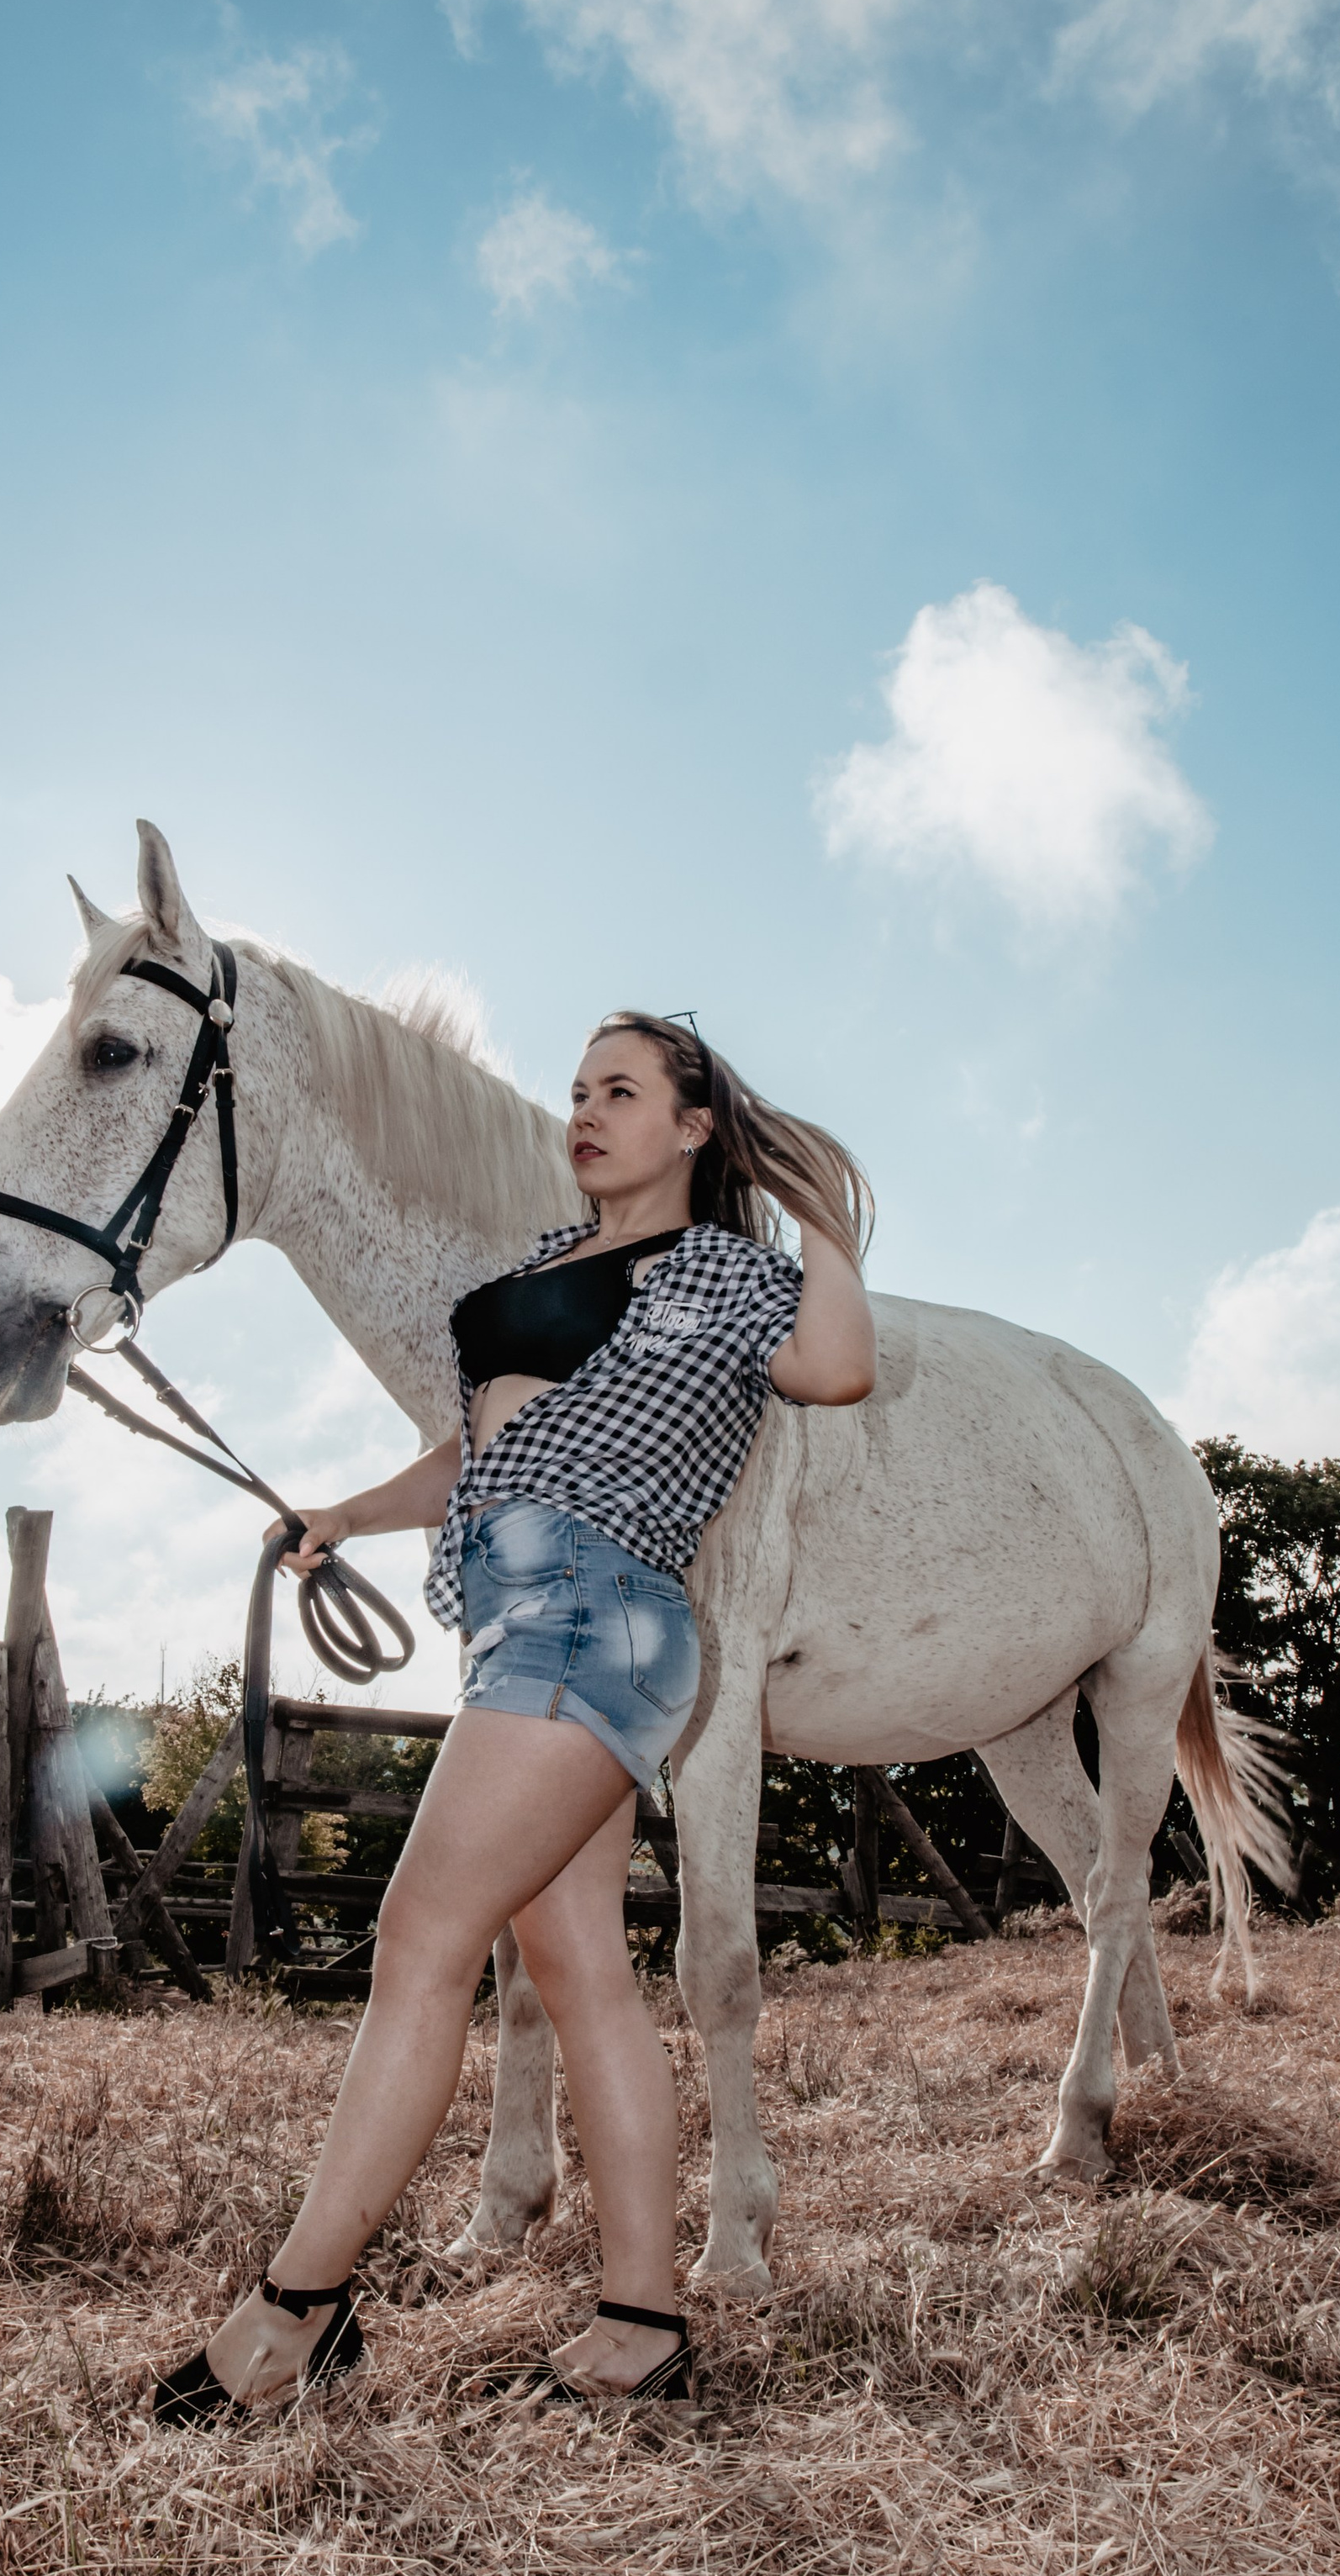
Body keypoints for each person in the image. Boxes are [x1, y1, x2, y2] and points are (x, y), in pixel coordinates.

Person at [153, 1011, 875, 2423]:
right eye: (577, 1091)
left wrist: (823, 1216)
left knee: (422, 1936)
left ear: (692, 1126)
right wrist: (346, 1513)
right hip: (522, 1622)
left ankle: (295, 2312)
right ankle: (640, 2321)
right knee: (581, 1970)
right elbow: (485, 1440)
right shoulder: (551, 1265)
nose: (587, 1112)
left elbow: (838, 1369)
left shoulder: (728, 1272)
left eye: (623, 1091)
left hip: (589, 1617)